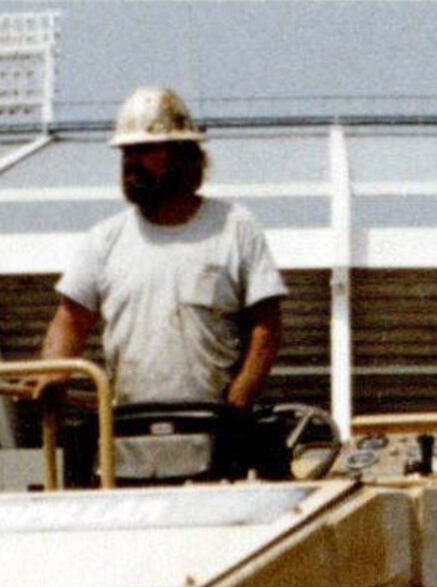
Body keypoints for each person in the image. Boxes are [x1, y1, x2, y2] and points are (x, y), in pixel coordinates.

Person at [39, 86, 287, 420]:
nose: (131, 163)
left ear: (183, 155)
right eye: (126, 152)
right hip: (128, 438)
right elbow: (70, 321)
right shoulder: (105, 239)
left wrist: (240, 396)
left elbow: (266, 327)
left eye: (143, 151)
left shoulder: (235, 228)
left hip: (216, 433)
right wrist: (53, 374)